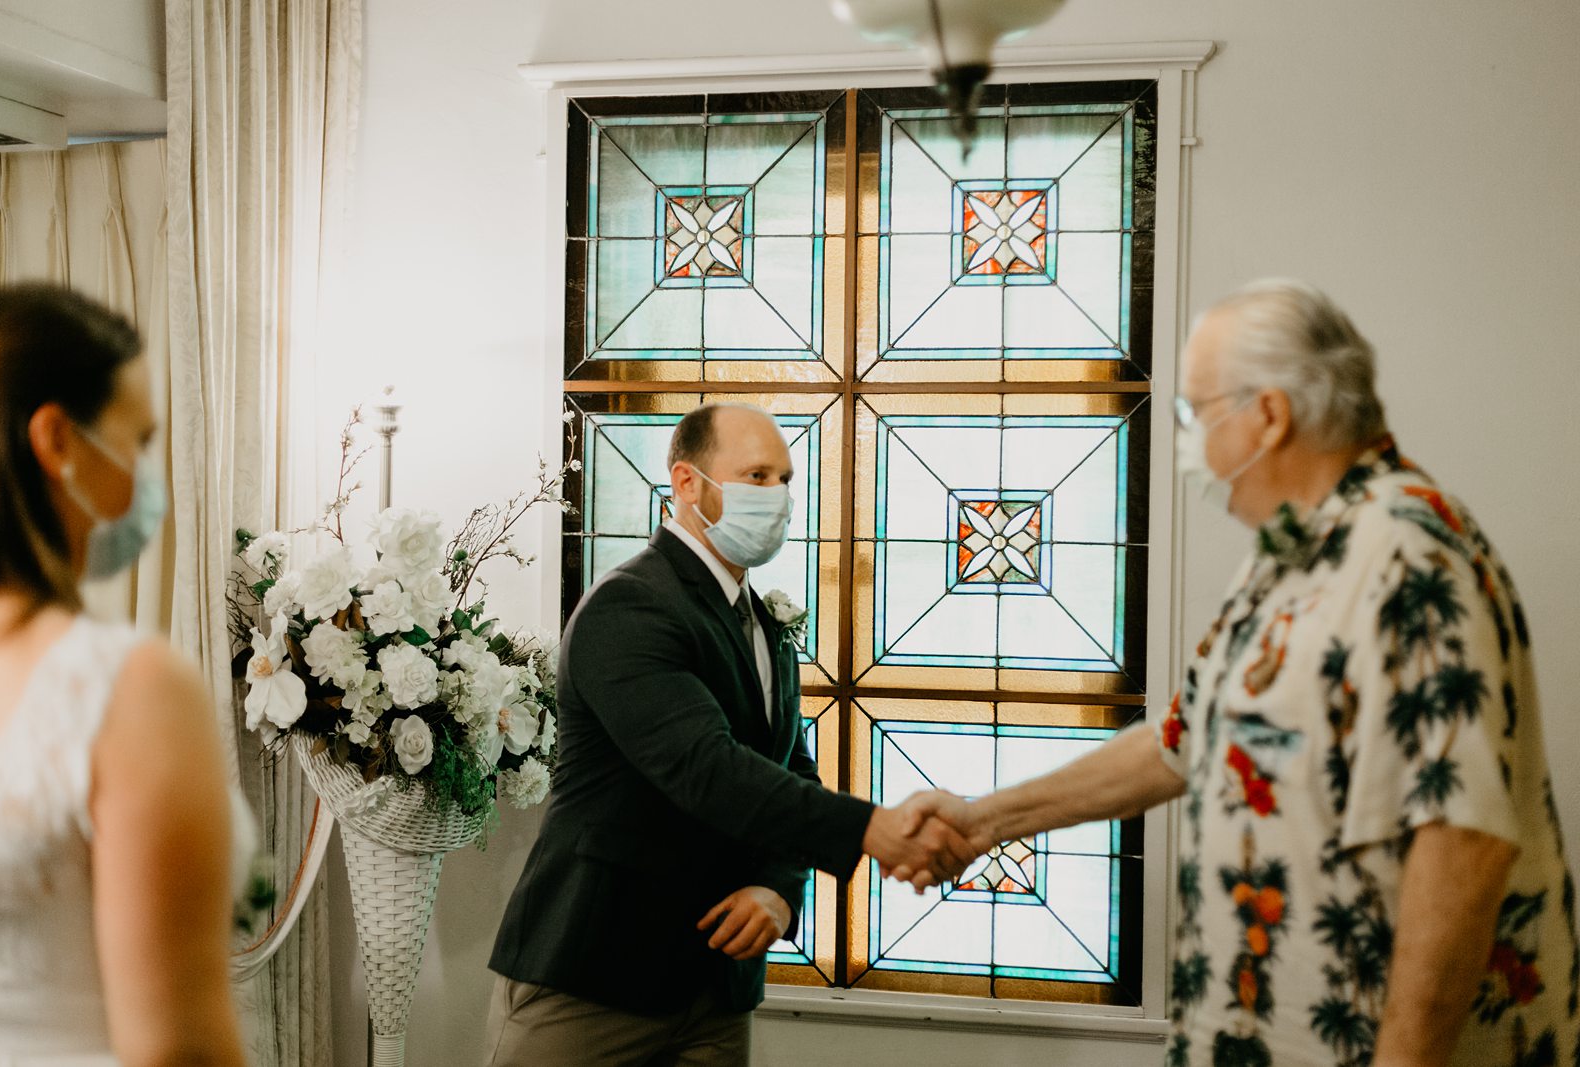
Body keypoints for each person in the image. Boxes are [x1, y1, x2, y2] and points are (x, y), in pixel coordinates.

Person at [902, 279, 1580, 1066]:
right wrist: (984, 822)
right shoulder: (1290, 555)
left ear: (1269, 414)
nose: (1187, 441)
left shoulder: (1405, 552)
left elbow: (1462, 839)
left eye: (1195, 412)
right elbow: (1184, 740)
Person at [485, 402, 980, 1067]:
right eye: (755, 476)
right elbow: (707, 770)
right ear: (687, 483)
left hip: (717, 989)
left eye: (784, 478)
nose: (777, 497)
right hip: (594, 975)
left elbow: (790, 773)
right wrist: (873, 828)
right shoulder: (630, 606)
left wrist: (780, 887)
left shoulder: (764, 625)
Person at [0, 285, 247, 1065]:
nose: (146, 476)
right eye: (141, 439)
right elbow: (177, 1050)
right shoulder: (126, 689)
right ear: (58, 438)